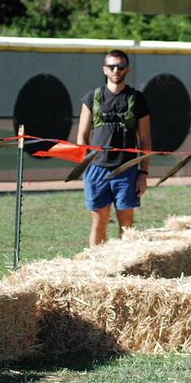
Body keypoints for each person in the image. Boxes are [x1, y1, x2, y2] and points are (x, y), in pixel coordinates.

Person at [76, 50, 151, 246]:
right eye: (111, 66)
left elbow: (144, 139)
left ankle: (126, 268)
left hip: (127, 169)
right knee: (99, 222)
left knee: (126, 224)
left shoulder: (137, 98)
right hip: (96, 168)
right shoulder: (91, 97)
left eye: (120, 66)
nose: (116, 70)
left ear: (128, 69)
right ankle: (97, 268)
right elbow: (82, 136)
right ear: (104, 69)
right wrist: (83, 167)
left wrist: (143, 173)